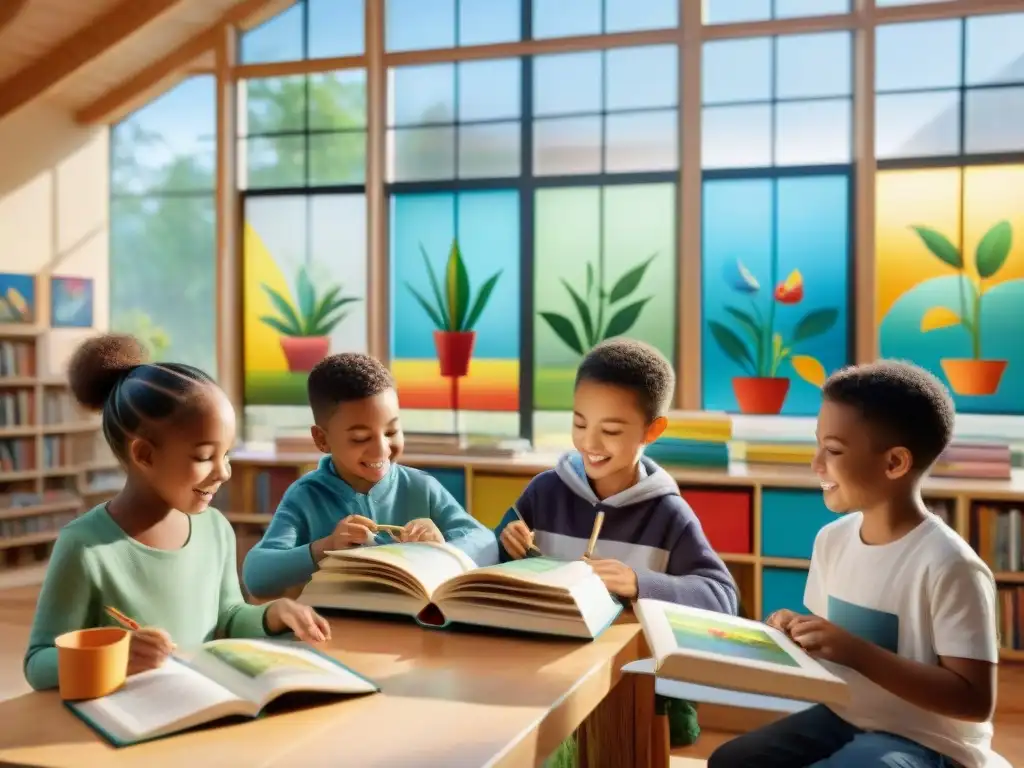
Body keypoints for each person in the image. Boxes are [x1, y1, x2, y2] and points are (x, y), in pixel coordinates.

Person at [709, 360, 998, 768]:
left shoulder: (950, 565)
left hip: (930, 741)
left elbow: (973, 701)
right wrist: (795, 633)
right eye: (818, 445)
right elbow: (830, 652)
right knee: (732, 761)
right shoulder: (832, 540)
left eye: (833, 450)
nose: (816, 464)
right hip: (844, 716)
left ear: (895, 462)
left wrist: (855, 652)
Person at [24, 334, 329, 692]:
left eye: (226, 453)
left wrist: (271, 614)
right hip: (125, 722)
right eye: (204, 457)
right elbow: (39, 662)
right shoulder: (85, 546)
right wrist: (117, 655)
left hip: (199, 708)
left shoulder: (215, 529)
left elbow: (228, 617)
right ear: (145, 455)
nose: (224, 472)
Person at [495, 338, 738, 750]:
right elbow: (498, 562)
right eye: (579, 423)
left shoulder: (668, 514)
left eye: (610, 430)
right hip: (543, 673)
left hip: (634, 689)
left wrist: (639, 583)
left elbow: (723, 598)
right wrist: (507, 542)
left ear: (653, 429)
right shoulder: (544, 492)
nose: (590, 443)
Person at [242, 353, 498, 598]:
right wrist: (324, 547)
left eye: (391, 431)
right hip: (334, 633)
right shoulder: (305, 497)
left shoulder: (422, 488)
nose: (381, 449)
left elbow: (486, 543)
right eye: (360, 438)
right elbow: (256, 576)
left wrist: (444, 548)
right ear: (322, 439)